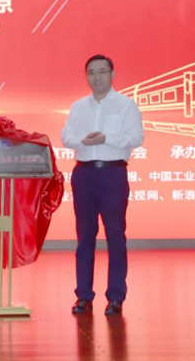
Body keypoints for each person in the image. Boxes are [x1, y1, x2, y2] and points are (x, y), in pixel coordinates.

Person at [61, 54, 144, 315]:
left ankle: (116, 296)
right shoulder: (78, 107)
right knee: (84, 236)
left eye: (102, 72)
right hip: (84, 174)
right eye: (91, 73)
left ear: (112, 74)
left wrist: (106, 138)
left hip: (113, 174)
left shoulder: (126, 105)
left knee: (115, 235)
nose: (96, 77)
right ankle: (83, 296)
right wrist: (83, 141)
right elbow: (66, 137)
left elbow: (136, 137)